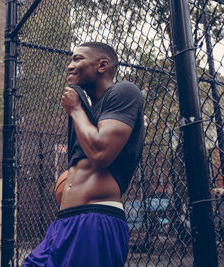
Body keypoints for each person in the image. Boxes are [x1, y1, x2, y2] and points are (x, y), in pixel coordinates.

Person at [23, 42, 144, 267]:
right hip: (64, 222)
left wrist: (76, 109)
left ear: (102, 65)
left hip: (95, 219)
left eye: (78, 59)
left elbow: (100, 154)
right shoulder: (90, 114)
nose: (70, 66)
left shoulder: (125, 91)